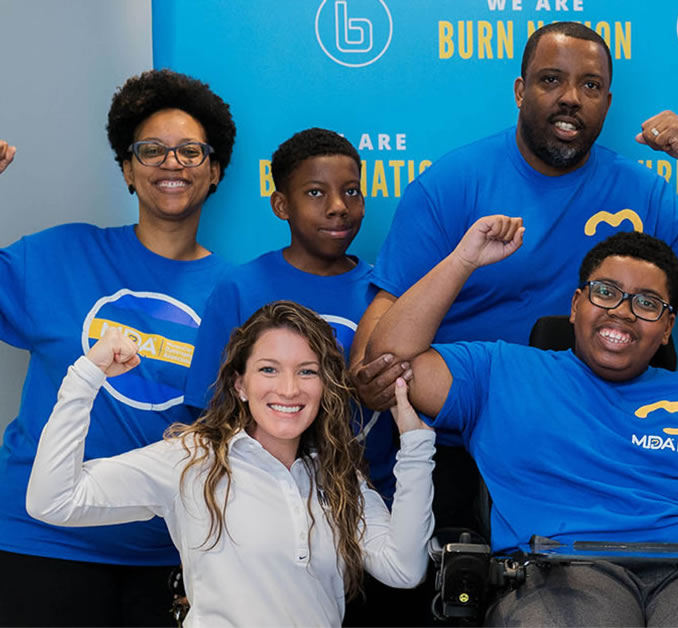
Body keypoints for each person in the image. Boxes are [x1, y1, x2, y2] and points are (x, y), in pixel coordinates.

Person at [364, 219, 678, 626]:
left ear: (665, 330)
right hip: (558, 575)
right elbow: (389, 355)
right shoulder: (497, 372)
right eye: (605, 292)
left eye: (646, 303)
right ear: (576, 305)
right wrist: (462, 260)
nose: (622, 312)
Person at [352, 20, 678, 406]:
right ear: (521, 91)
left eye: (590, 85)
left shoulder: (642, 190)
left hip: (605, 424)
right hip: (468, 422)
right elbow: (391, 301)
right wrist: (366, 370)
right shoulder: (449, 184)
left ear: (607, 103)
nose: (571, 97)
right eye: (551, 80)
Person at [26, 302, 434, 626]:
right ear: (240, 384)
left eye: (306, 372)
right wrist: (87, 376)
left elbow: (404, 568)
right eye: (268, 370)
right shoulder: (192, 459)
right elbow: (54, 500)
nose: (289, 389)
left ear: (325, 385)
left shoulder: (339, 477)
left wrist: (415, 445)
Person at [0, 69, 237, 625]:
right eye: (151, 150)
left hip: (171, 555)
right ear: (128, 170)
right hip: (40, 544)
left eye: (190, 152)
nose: (171, 163)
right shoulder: (57, 256)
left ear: (216, 171)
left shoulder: (239, 294)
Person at [185, 128, 400, 503]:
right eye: (316, 193)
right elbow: (211, 413)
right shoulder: (240, 288)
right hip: (261, 507)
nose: (338, 206)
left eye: (351, 191)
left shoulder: (384, 295)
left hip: (370, 504)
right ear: (281, 205)